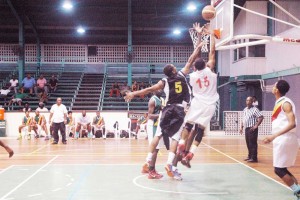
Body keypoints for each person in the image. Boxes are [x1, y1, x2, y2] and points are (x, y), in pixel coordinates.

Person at [125, 39, 202, 180]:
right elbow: (191, 59)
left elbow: (149, 89)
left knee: (158, 135)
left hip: (166, 110)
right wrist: (199, 45)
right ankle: (169, 164)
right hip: (179, 110)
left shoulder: (164, 81)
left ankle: (147, 160)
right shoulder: (182, 74)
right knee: (175, 137)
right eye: (173, 66)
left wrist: (132, 94)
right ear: (173, 70)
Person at [173, 23, 219, 171]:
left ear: (194, 67)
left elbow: (197, 56)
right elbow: (212, 52)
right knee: (200, 130)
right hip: (210, 104)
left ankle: (181, 144)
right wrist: (212, 34)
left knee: (188, 125)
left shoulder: (192, 76)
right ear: (206, 65)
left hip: (198, 102)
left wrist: (199, 35)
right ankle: (190, 154)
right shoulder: (211, 72)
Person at [262, 80, 300, 199]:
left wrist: (273, 136)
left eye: (274, 86)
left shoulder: (285, 103)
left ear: (277, 90)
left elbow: (292, 124)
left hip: (285, 138)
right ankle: (297, 189)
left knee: (278, 170)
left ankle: (298, 191)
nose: (273, 87)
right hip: (283, 138)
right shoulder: (280, 102)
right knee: (282, 168)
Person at [141, 90, 165, 179]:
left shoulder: (162, 99)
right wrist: (161, 115)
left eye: (161, 88)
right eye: (158, 89)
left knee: (157, 149)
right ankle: (151, 171)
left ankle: (147, 168)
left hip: (159, 125)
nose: (161, 90)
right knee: (154, 149)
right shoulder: (152, 100)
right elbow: (150, 115)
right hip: (152, 126)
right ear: (154, 91)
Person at [239, 96, 264, 163]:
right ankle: (249, 156)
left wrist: (256, 125)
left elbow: (261, 117)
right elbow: (243, 119)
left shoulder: (255, 109)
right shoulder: (245, 109)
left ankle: (254, 158)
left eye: (249, 100)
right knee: (248, 143)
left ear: (252, 102)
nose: (247, 102)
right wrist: (241, 127)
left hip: (252, 128)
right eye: (247, 100)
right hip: (246, 128)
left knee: (253, 143)